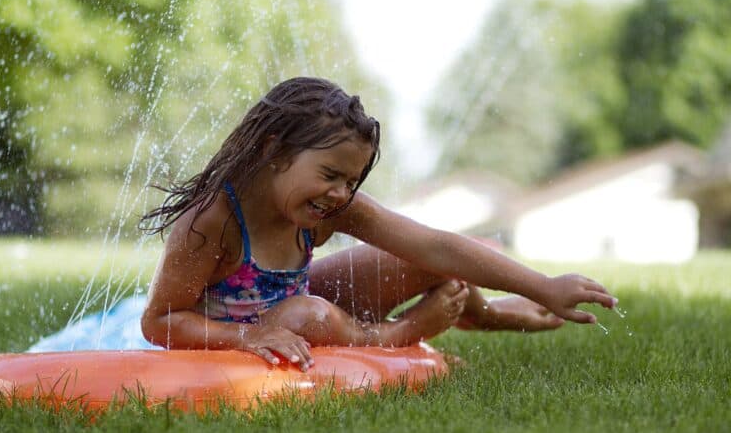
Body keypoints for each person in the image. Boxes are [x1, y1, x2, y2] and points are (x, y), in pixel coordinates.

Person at [139, 77, 616, 372]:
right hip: (241, 330)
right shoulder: (210, 224)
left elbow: (435, 247)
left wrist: (543, 286)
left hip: (294, 306)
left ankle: (483, 314)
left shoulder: (327, 207)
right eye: (330, 175)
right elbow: (158, 323)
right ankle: (395, 335)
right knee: (311, 315)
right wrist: (247, 336)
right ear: (273, 152)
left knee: (427, 260)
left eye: (351, 180)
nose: (341, 194)